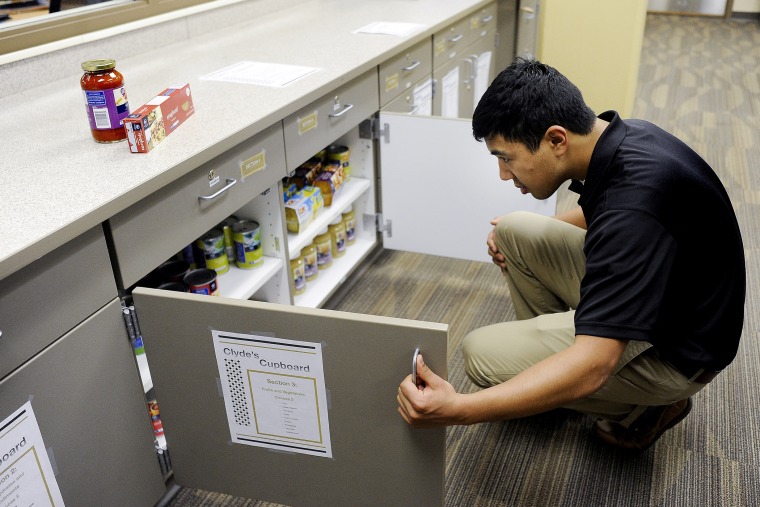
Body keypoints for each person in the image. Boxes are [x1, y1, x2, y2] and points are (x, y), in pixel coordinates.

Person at [396, 59, 746, 450]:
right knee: (513, 229)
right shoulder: (625, 137)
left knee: (481, 354)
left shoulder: (631, 211)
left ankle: (638, 408)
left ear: (556, 140)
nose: (503, 174)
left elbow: (594, 366)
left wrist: (458, 410)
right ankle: (549, 374)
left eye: (506, 158)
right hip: (672, 295)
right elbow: (603, 209)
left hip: (676, 352)